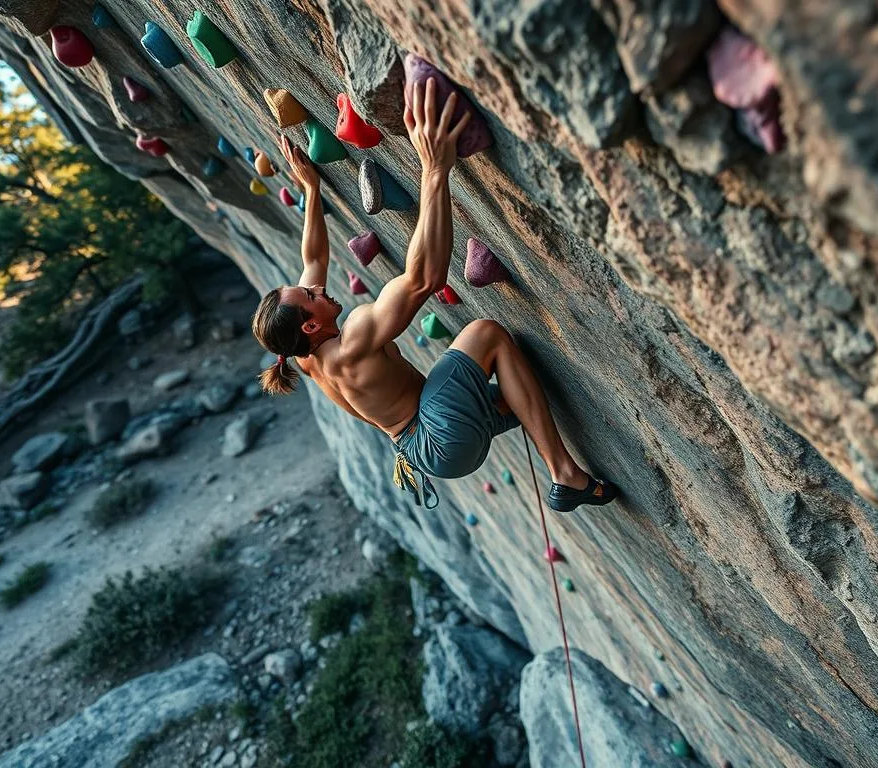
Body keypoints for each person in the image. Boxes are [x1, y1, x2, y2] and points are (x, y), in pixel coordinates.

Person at [252, 79, 618, 513]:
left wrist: (312, 191)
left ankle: (568, 474)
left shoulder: (306, 357)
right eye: (311, 295)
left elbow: (312, 259)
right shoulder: (353, 339)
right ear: (310, 324)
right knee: (486, 334)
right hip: (440, 434)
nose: (317, 286)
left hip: (423, 449)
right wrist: (434, 169)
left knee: (521, 388)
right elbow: (424, 277)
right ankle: (565, 476)